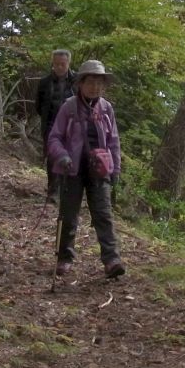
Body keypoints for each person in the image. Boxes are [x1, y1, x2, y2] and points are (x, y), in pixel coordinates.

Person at [46, 59, 124, 279]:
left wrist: (115, 169)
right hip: (72, 169)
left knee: (103, 214)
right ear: (80, 83)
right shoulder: (69, 107)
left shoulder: (106, 108)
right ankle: (64, 258)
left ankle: (111, 260)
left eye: (99, 83)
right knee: (68, 216)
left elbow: (114, 141)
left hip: (99, 169)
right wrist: (61, 156)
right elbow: (54, 138)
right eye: (90, 82)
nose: (95, 87)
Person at [34, 49, 75, 201]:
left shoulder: (77, 81)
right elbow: (39, 106)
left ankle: (68, 191)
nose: (59, 67)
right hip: (51, 125)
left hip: (72, 127)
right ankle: (53, 191)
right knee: (52, 157)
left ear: (68, 63)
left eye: (62, 64)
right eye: (56, 64)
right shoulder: (45, 82)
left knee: (71, 156)